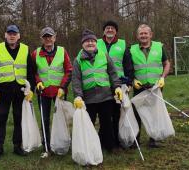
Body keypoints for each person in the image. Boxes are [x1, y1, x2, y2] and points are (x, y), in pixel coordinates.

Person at [72, 29, 123, 152]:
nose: (90, 43)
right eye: (87, 41)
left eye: (92, 41)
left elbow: (113, 73)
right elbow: (76, 80)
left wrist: (117, 87)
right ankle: (89, 148)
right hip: (88, 98)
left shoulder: (104, 55)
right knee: (89, 124)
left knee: (107, 123)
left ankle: (109, 146)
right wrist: (78, 96)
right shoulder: (78, 60)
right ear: (82, 44)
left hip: (106, 96)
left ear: (96, 42)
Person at [0, 24, 35, 161]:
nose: (12, 35)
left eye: (14, 33)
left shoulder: (25, 49)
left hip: (20, 92)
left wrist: (30, 89)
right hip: (2, 92)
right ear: (5, 35)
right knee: (1, 119)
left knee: (18, 118)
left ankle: (17, 146)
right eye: (9, 33)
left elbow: (30, 72)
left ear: (19, 36)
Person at [31, 26, 72, 153]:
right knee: (45, 119)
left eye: (50, 36)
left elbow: (68, 70)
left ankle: (63, 143)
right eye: (45, 37)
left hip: (59, 92)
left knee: (61, 118)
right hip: (43, 92)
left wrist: (63, 87)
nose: (48, 39)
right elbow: (33, 72)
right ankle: (47, 145)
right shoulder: (35, 53)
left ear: (55, 37)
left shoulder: (62, 51)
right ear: (42, 39)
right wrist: (37, 82)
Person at [130, 24, 170, 148]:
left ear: (151, 34)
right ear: (137, 36)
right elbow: (128, 68)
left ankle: (153, 139)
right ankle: (135, 140)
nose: (143, 35)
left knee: (154, 113)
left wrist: (163, 77)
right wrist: (133, 80)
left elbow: (167, 63)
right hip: (139, 87)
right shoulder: (131, 49)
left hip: (156, 86)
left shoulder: (159, 47)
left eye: (146, 33)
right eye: (141, 33)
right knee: (137, 114)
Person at [97, 20, 134, 148]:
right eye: (107, 28)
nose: (110, 30)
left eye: (112, 28)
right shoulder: (96, 43)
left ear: (116, 31)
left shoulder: (122, 45)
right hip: (102, 84)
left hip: (118, 84)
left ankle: (117, 140)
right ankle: (104, 139)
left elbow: (128, 65)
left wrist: (129, 82)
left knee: (117, 113)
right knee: (104, 114)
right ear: (104, 31)